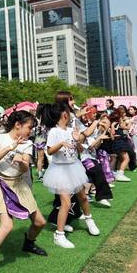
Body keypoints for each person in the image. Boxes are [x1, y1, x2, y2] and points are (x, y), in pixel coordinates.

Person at [0, 111, 47, 273]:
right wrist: (10, 148)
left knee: (40, 223)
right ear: (17, 125)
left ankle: (28, 243)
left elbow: (23, 169)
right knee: (6, 226)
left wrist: (22, 162)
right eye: (29, 127)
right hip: (2, 185)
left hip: (20, 185)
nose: (31, 131)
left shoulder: (28, 143)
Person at [39, 102, 100, 249]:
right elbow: (49, 151)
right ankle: (59, 235)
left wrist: (78, 140)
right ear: (64, 114)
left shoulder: (72, 129)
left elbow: (78, 149)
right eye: (69, 112)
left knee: (83, 197)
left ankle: (89, 220)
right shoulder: (54, 131)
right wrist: (61, 144)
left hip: (74, 168)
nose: (71, 114)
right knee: (65, 203)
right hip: (60, 170)